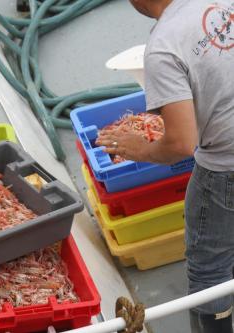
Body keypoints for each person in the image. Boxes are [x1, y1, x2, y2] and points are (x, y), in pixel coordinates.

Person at [96, 0, 234, 332]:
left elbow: (180, 144)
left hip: (224, 171)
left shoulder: (162, 47)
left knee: (210, 272)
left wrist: (140, 149)